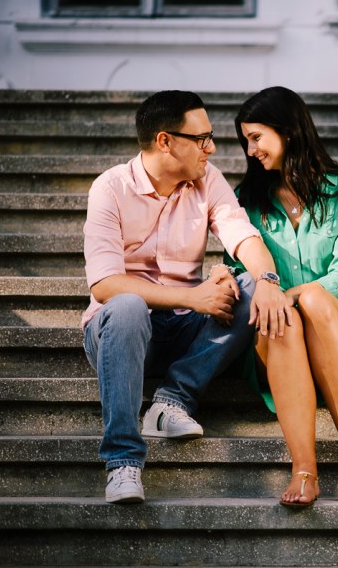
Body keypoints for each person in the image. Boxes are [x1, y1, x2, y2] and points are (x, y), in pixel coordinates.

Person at [82, 90, 292, 505]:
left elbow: (243, 236)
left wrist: (268, 280)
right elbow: (104, 284)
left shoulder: (207, 179)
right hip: (120, 334)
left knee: (250, 286)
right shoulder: (110, 188)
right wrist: (193, 297)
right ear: (165, 141)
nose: (211, 148)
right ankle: (123, 461)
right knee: (127, 305)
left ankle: (170, 402)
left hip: (183, 329)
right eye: (202, 139)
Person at [218, 86, 338, 506]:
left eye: (256, 137)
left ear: (288, 131)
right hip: (275, 339)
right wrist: (229, 278)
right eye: (245, 141)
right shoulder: (246, 200)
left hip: (336, 330)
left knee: (312, 300)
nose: (250, 150)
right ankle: (304, 467)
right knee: (281, 316)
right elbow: (239, 268)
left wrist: (288, 294)